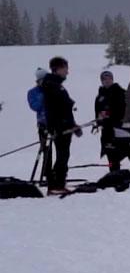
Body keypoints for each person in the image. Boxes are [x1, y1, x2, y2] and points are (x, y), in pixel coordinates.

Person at [38, 57, 79, 193]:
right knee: (61, 155)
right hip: (60, 128)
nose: (67, 72)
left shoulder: (56, 85)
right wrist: (62, 126)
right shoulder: (52, 85)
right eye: (65, 68)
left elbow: (65, 109)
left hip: (64, 126)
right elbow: (56, 110)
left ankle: (59, 183)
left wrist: (73, 125)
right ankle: (56, 185)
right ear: (58, 69)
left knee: (63, 154)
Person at [95, 70, 129, 174]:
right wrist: (99, 120)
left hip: (119, 127)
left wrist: (111, 113)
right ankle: (113, 170)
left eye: (109, 78)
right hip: (106, 129)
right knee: (109, 152)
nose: (107, 81)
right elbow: (97, 111)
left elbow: (124, 108)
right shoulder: (100, 96)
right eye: (104, 79)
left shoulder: (120, 92)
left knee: (124, 150)